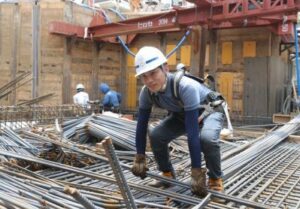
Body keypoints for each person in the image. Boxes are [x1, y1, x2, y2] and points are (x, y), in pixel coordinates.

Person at [130, 46, 225, 197]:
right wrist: (140, 156)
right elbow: (141, 126)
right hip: (183, 114)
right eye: (144, 76)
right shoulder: (146, 93)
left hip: (209, 111)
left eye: (153, 73)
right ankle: (167, 175)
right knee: (156, 135)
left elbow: (192, 134)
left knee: (206, 139)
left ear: (165, 68)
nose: (149, 80)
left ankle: (215, 179)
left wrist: (196, 172)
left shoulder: (185, 87)